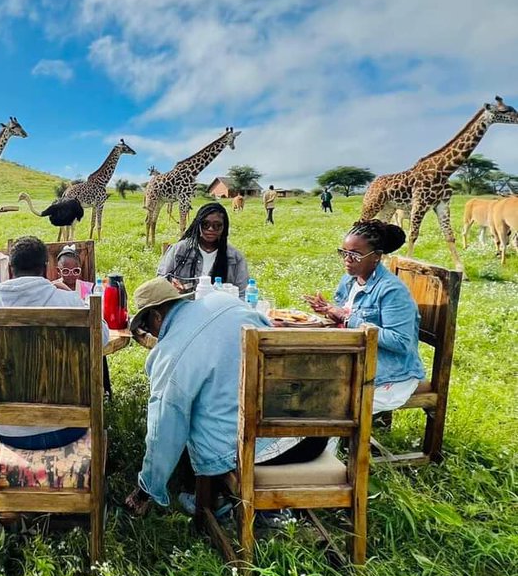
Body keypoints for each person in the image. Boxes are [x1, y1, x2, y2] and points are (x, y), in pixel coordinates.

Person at [124, 278, 325, 518]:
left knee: (194, 422)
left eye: (147, 327)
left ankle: (221, 503)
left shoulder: (171, 356)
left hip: (260, 454)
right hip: (313, 435)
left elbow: (163, 430)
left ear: (156, 317)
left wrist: (148, 487)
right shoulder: (225, 301)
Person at [0, 237, 109, 452]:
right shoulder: (69, 302)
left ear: (11, 270)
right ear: (46, 269)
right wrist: (70, 294)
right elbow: (103, 338)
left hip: (10, 432)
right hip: (68, 428)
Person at [304, 220, 424, 414]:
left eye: (355, 255)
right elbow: (347, 316)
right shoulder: (350, 279)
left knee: (325, 402)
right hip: (358, 364)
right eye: (344, 252)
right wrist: (331, 311)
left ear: (376, 256)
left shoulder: (392, 291)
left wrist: (347, 319)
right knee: (300, 383)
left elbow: (401, 342)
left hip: (390, 375)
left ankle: (332, 441)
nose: (347, 259)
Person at [157, 202, 249, 295]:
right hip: (183, 305)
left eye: (217, 225)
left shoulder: (235, 257)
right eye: (205, 224)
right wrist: (171, 286)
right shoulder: (179, 249)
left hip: (220, 308)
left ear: (224, 228)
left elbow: (242, 293)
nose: (211, 229)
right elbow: (160, 280)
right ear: (198, 225)